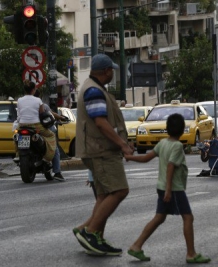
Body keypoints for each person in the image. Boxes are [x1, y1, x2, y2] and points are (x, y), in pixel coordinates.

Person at [124, 113, 211, 264]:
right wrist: (169, 190)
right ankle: (191, 254)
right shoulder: (177, 146)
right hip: (174, 189)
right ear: (183, 130)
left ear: (167, 129)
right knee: (188, 217)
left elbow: (146, 158)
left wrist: (129, 157)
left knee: (159, 217)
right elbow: (171, 166)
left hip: (161, 187)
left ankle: (136, 246)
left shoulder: (163, 143)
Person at [73, 54, 134, 256]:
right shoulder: (94, 91)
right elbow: (100, 122)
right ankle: (91, 233)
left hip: (99, 149)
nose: (113, 74)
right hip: (100, 150)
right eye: (112, 70)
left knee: (105, 194)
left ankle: (89, 232)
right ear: (106, 71)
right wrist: (122, 145)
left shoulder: (95, 88)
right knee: (119, 190)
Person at [17, 80, 56, 168]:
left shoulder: (19, 100)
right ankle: (47, 159)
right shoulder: (38, 100)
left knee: (16, 136)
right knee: (51, 135)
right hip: (35, 125)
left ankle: (17, 155)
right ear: (33, 90)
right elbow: (42, 114)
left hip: (22, 125)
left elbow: (19, 114)